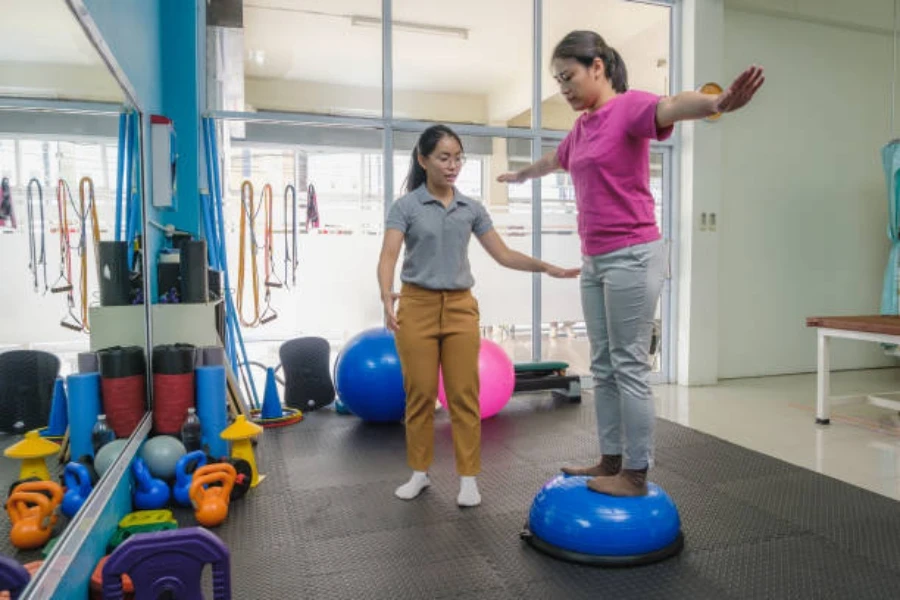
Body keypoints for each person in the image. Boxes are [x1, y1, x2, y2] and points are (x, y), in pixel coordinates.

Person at [498, 31, 765, 497]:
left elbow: (672, 106)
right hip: (595, 259)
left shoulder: (629, 107)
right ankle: (611, 459)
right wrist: (520, 175)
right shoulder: (581, 128)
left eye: (569, 77)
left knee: (628, 364)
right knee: (602, 366)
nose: (564, 88)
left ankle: (636, 475)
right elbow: (554, 161)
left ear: (597, 66)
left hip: (633, 253)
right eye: (558, 81)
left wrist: (716, 102)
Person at [377, 124, 580, 507]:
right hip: (416, 305)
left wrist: (545, 267)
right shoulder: (405, 206)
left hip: (459, 308)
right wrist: (386, 295)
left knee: (463, 395)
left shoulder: (471, 208)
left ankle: (468, 479)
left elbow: (503, 254)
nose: (453, 165)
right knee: (418, 395)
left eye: (458, 157)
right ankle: (419, 473)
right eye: (443, 157)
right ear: (423, 160)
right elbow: (388, 256)